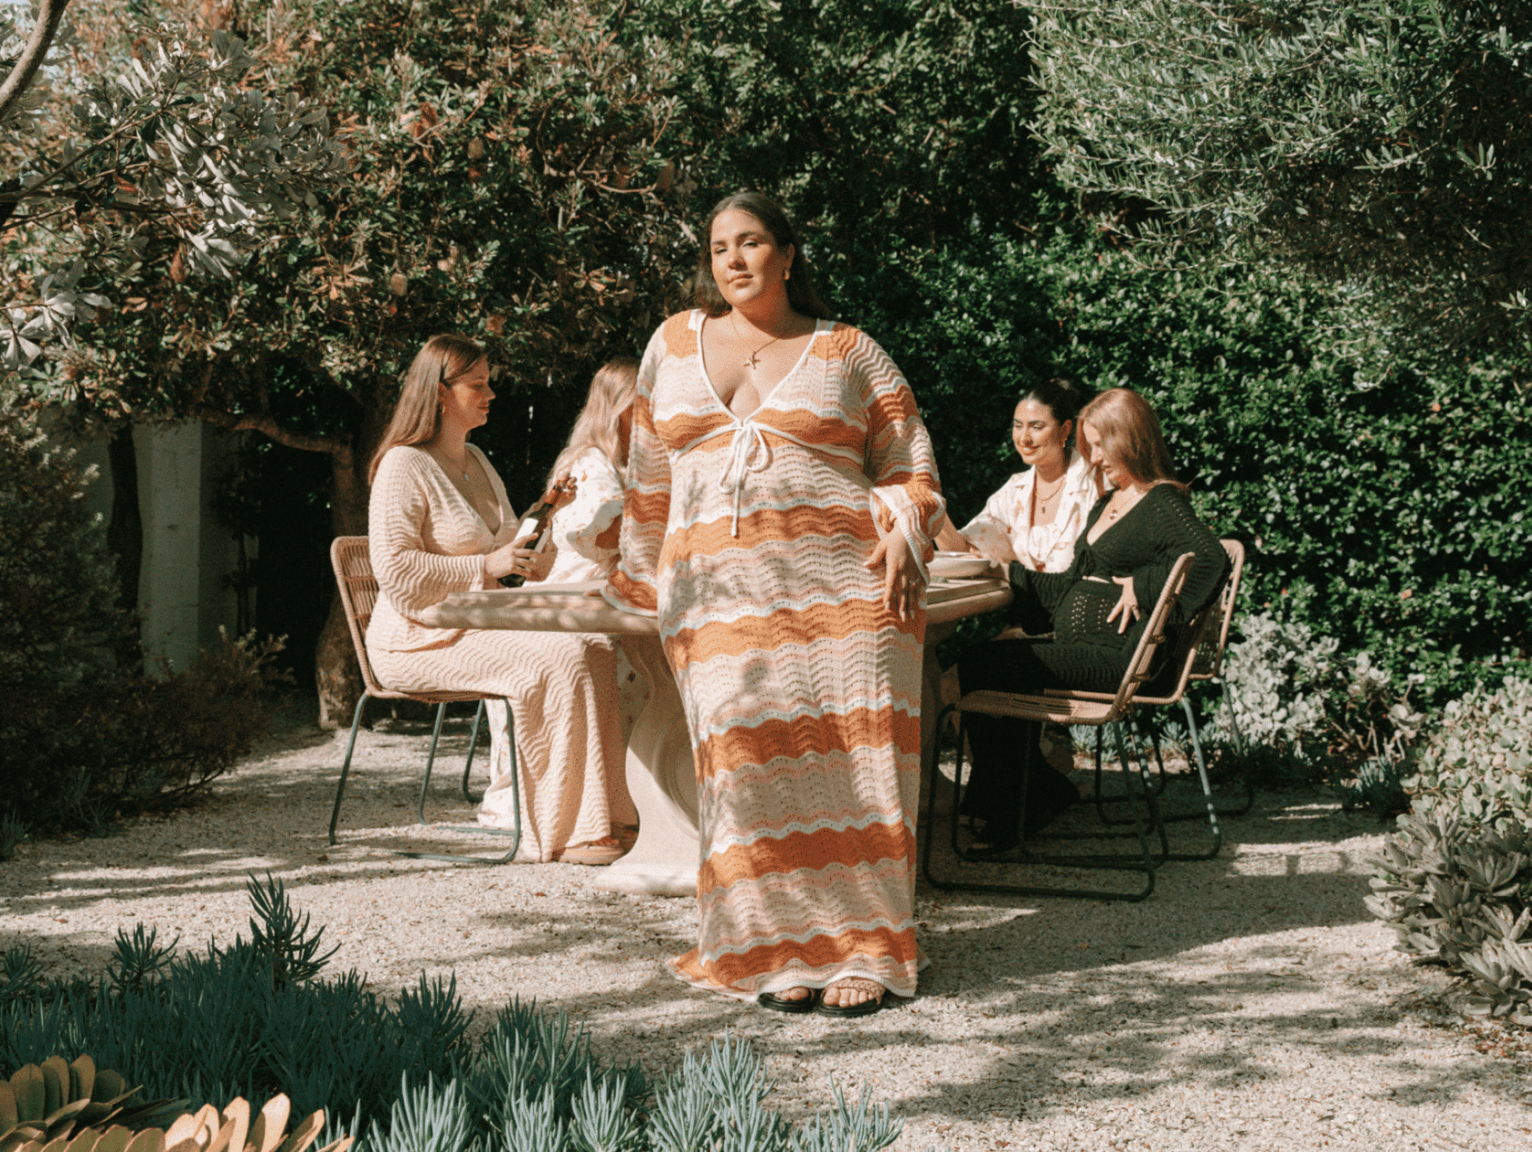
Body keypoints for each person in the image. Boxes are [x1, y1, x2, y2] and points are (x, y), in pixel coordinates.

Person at [603, 192, 944, 1017]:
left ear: (787, 255)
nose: (733, 259)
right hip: (717, 600)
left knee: (855, 767)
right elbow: (649, 478)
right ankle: (771, 945)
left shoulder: (849, 351)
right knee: (744, 770)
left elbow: (912, 464)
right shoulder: (672, 344)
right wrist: (643, 585)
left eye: (751, 242)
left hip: (851, 592)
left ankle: (865, 943)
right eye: (720, 247)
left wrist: (906, 529)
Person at [365, 336, 638, 865]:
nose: (491, 394)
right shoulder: (403, 465)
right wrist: (485, 566)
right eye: (478, 384)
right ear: (439, 393)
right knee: (563, 657)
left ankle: (613, 816)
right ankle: (566, 832)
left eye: (489, 383)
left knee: (596, 645)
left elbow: (513, 546)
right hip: (416, 640)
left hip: (477, 625)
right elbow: (395, 571)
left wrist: (541, 545)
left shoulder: (478, 460)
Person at [955, 387, 1229, 846]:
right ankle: (1028, 795)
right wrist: (1010, 574)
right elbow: (1068, 585)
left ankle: (1022, 802)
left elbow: (1209, 558)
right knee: (978, 659)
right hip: (1083, 646)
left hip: (1117, 657)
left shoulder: (1161, 502)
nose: (1094, 458)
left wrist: (1144, 588)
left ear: (1132, 439)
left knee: (989, 667)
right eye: (1089, 446)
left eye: (1101, 445)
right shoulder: (1110, 502)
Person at [936, 377, 1099, 573]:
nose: (1024, 439)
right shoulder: (1014, 493)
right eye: (1018, 426)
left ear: (1065, 430)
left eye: (1036, 427)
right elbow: (964, 556)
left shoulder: (1096, 481)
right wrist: (934, 509)